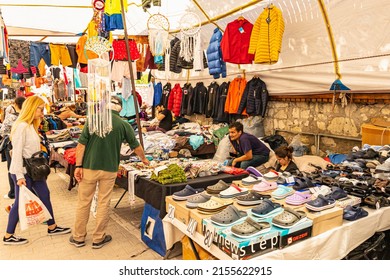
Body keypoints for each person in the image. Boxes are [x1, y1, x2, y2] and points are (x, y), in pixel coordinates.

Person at [69, 96, 149, 249]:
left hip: (89, 168)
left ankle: (78, 237)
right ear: (120, 108)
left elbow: (81, 146)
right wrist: (144, 159)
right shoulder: (123, 124)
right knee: (104, 203)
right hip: (109, 169)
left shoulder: (92, 119)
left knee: (83, 202)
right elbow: (136, 145)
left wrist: (78, 166)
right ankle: (98, 238)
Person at [4, 95, 71, 245]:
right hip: (23, 171)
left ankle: (52, 226)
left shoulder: (30, 126)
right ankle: (8, 236)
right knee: (19, 202)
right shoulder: (21, 126)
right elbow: (16, 153)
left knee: (45, 195)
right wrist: (19, 176)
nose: (43, 113)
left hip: (33, 170)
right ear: (32, 108)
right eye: (41, 109)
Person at [1, 96, 26, 199]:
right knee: (24, 167)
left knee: (12, 167)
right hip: (25, 144)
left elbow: (2, 131)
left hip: (11, 144)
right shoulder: (26, 115)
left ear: (15, 104)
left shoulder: (11, 117)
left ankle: (13, 192)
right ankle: (25, 190)